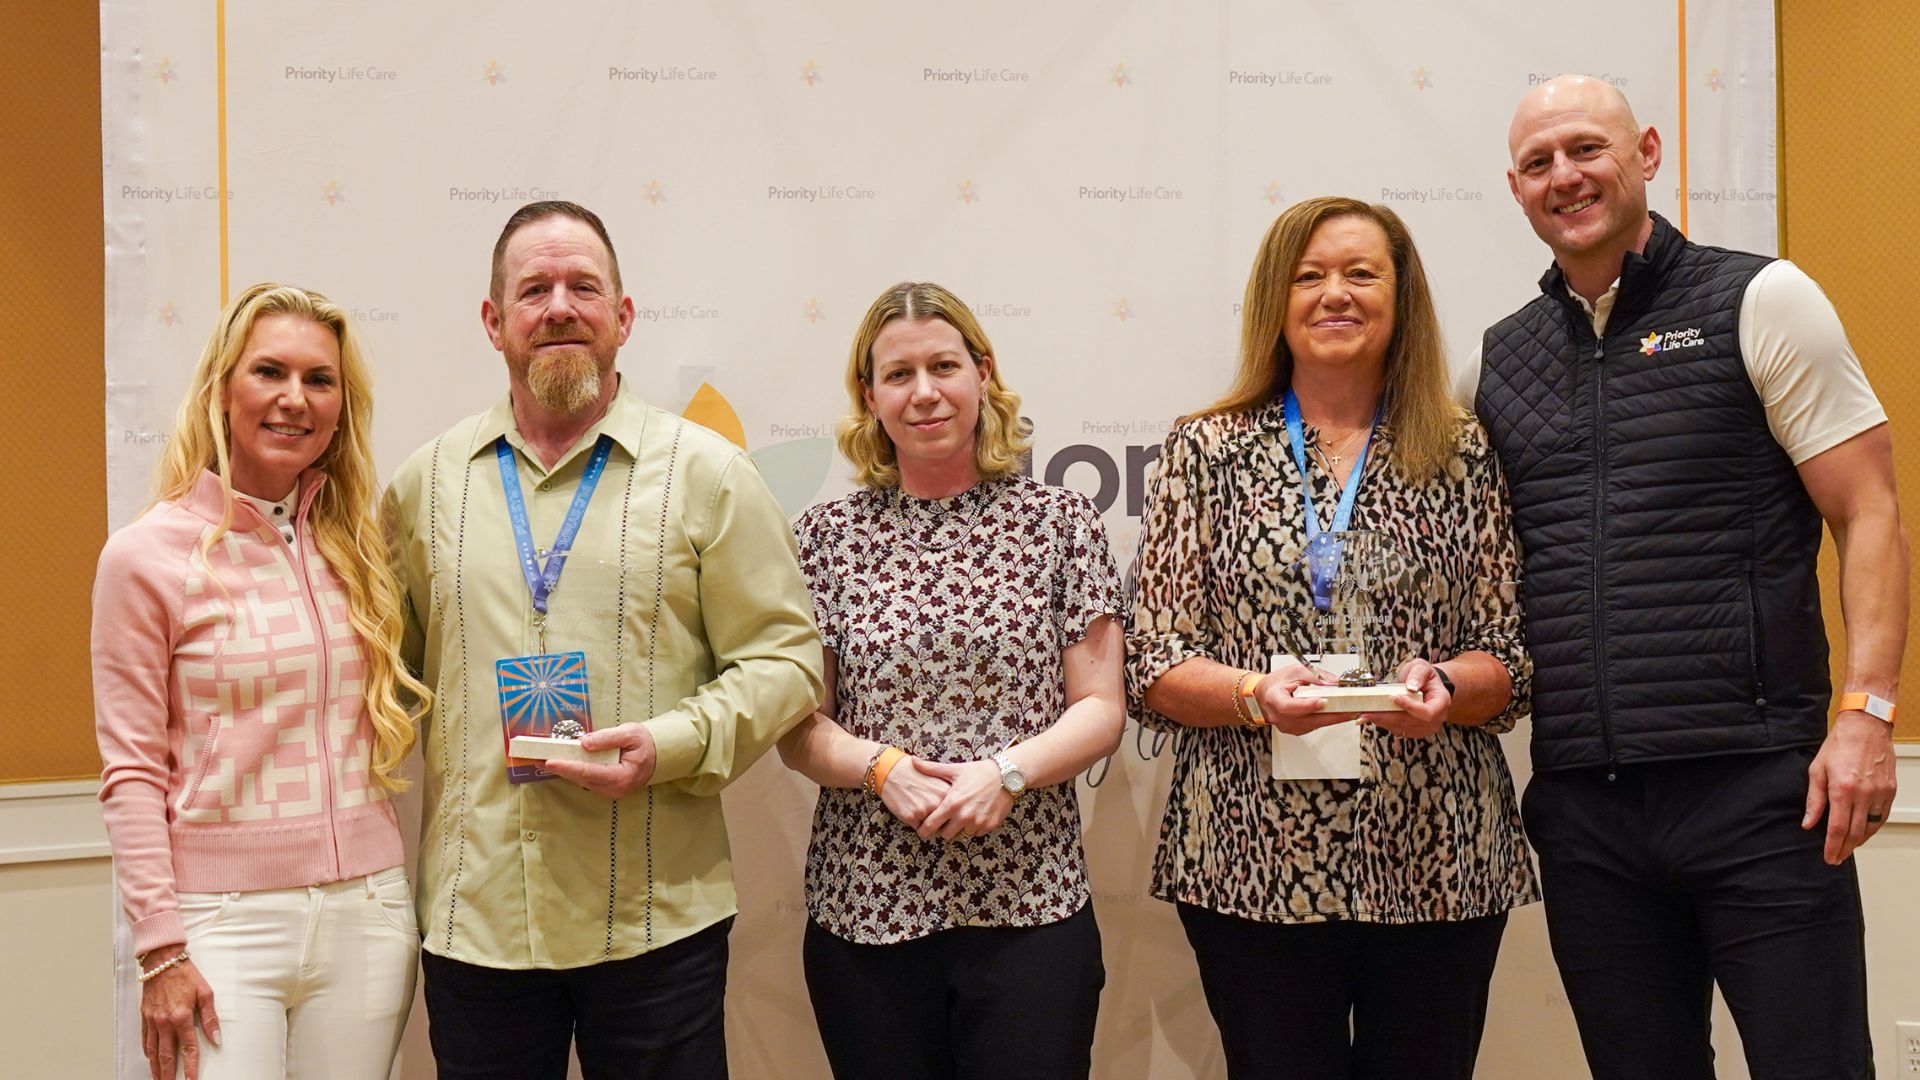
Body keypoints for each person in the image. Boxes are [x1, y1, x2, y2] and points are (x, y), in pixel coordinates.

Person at [1465, 75, 1907, 1080]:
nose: (1565, 177)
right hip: (1587, 809)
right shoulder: (1498, 361)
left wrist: (1866, 715)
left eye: (1587, 148)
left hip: (1762, 792)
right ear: (1515, 186)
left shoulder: (1762, 298)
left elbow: (1868, 511)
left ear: (1648, 152)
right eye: (1539, 162)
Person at [384, 200, 824, 1080]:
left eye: (584, 286)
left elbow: (788, 662)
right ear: (493, 321)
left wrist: (668, 745)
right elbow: (387, 679)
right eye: (534, 289)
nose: (559, 307)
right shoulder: (422, 486)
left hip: (656, 923)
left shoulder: (709, 475)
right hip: (478, 928)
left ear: (622, 316)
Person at [1127, 196, 1538, 1080]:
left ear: (1402, 296)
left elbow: (1508, 655)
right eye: (1308, 276)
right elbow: (1154, 662)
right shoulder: (1206, 450)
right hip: (1247, 855)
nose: (1334, 294)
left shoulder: (1462, 448)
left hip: (1437, 853)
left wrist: (1449, 687)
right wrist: (1252, 696)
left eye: (1360, 272)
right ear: (1276, 300)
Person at [777, 281, 1125, 1080]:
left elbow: (1102, 708)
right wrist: (881, 769)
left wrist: (1006, 773)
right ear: (870, 396)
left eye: (944, 366)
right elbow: (799, 725)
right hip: (866, 907)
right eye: (899, 375)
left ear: (983, 374)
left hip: (1031, 903)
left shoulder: (1060, 523)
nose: (925, 393)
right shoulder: (827, 538)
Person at [92, 283, 428, 1080]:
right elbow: (131, 769)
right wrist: (160, 947)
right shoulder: (146, 557)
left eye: (319, 379)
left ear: (342, 406)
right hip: (216, 927)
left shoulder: (360, 550)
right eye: (269, 372)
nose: (293, 399)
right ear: (222, 388)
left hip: (368, 913)